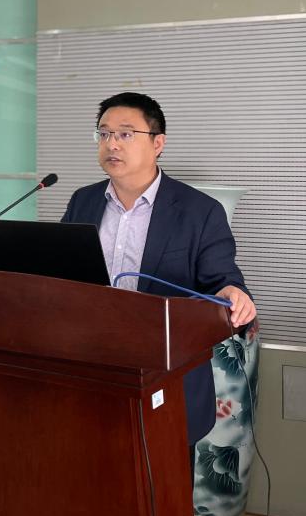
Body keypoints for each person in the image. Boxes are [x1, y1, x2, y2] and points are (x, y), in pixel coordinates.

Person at [60, 92, 256, 472]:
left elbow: (223, 281)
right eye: (103, 133)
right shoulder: (83, 201)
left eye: (125, 133)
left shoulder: (200, 211)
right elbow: (62, 273)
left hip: (165, 381)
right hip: (91, 371)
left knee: (160, 492)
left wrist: (233, 293)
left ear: (158, 142)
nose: (111, 144)